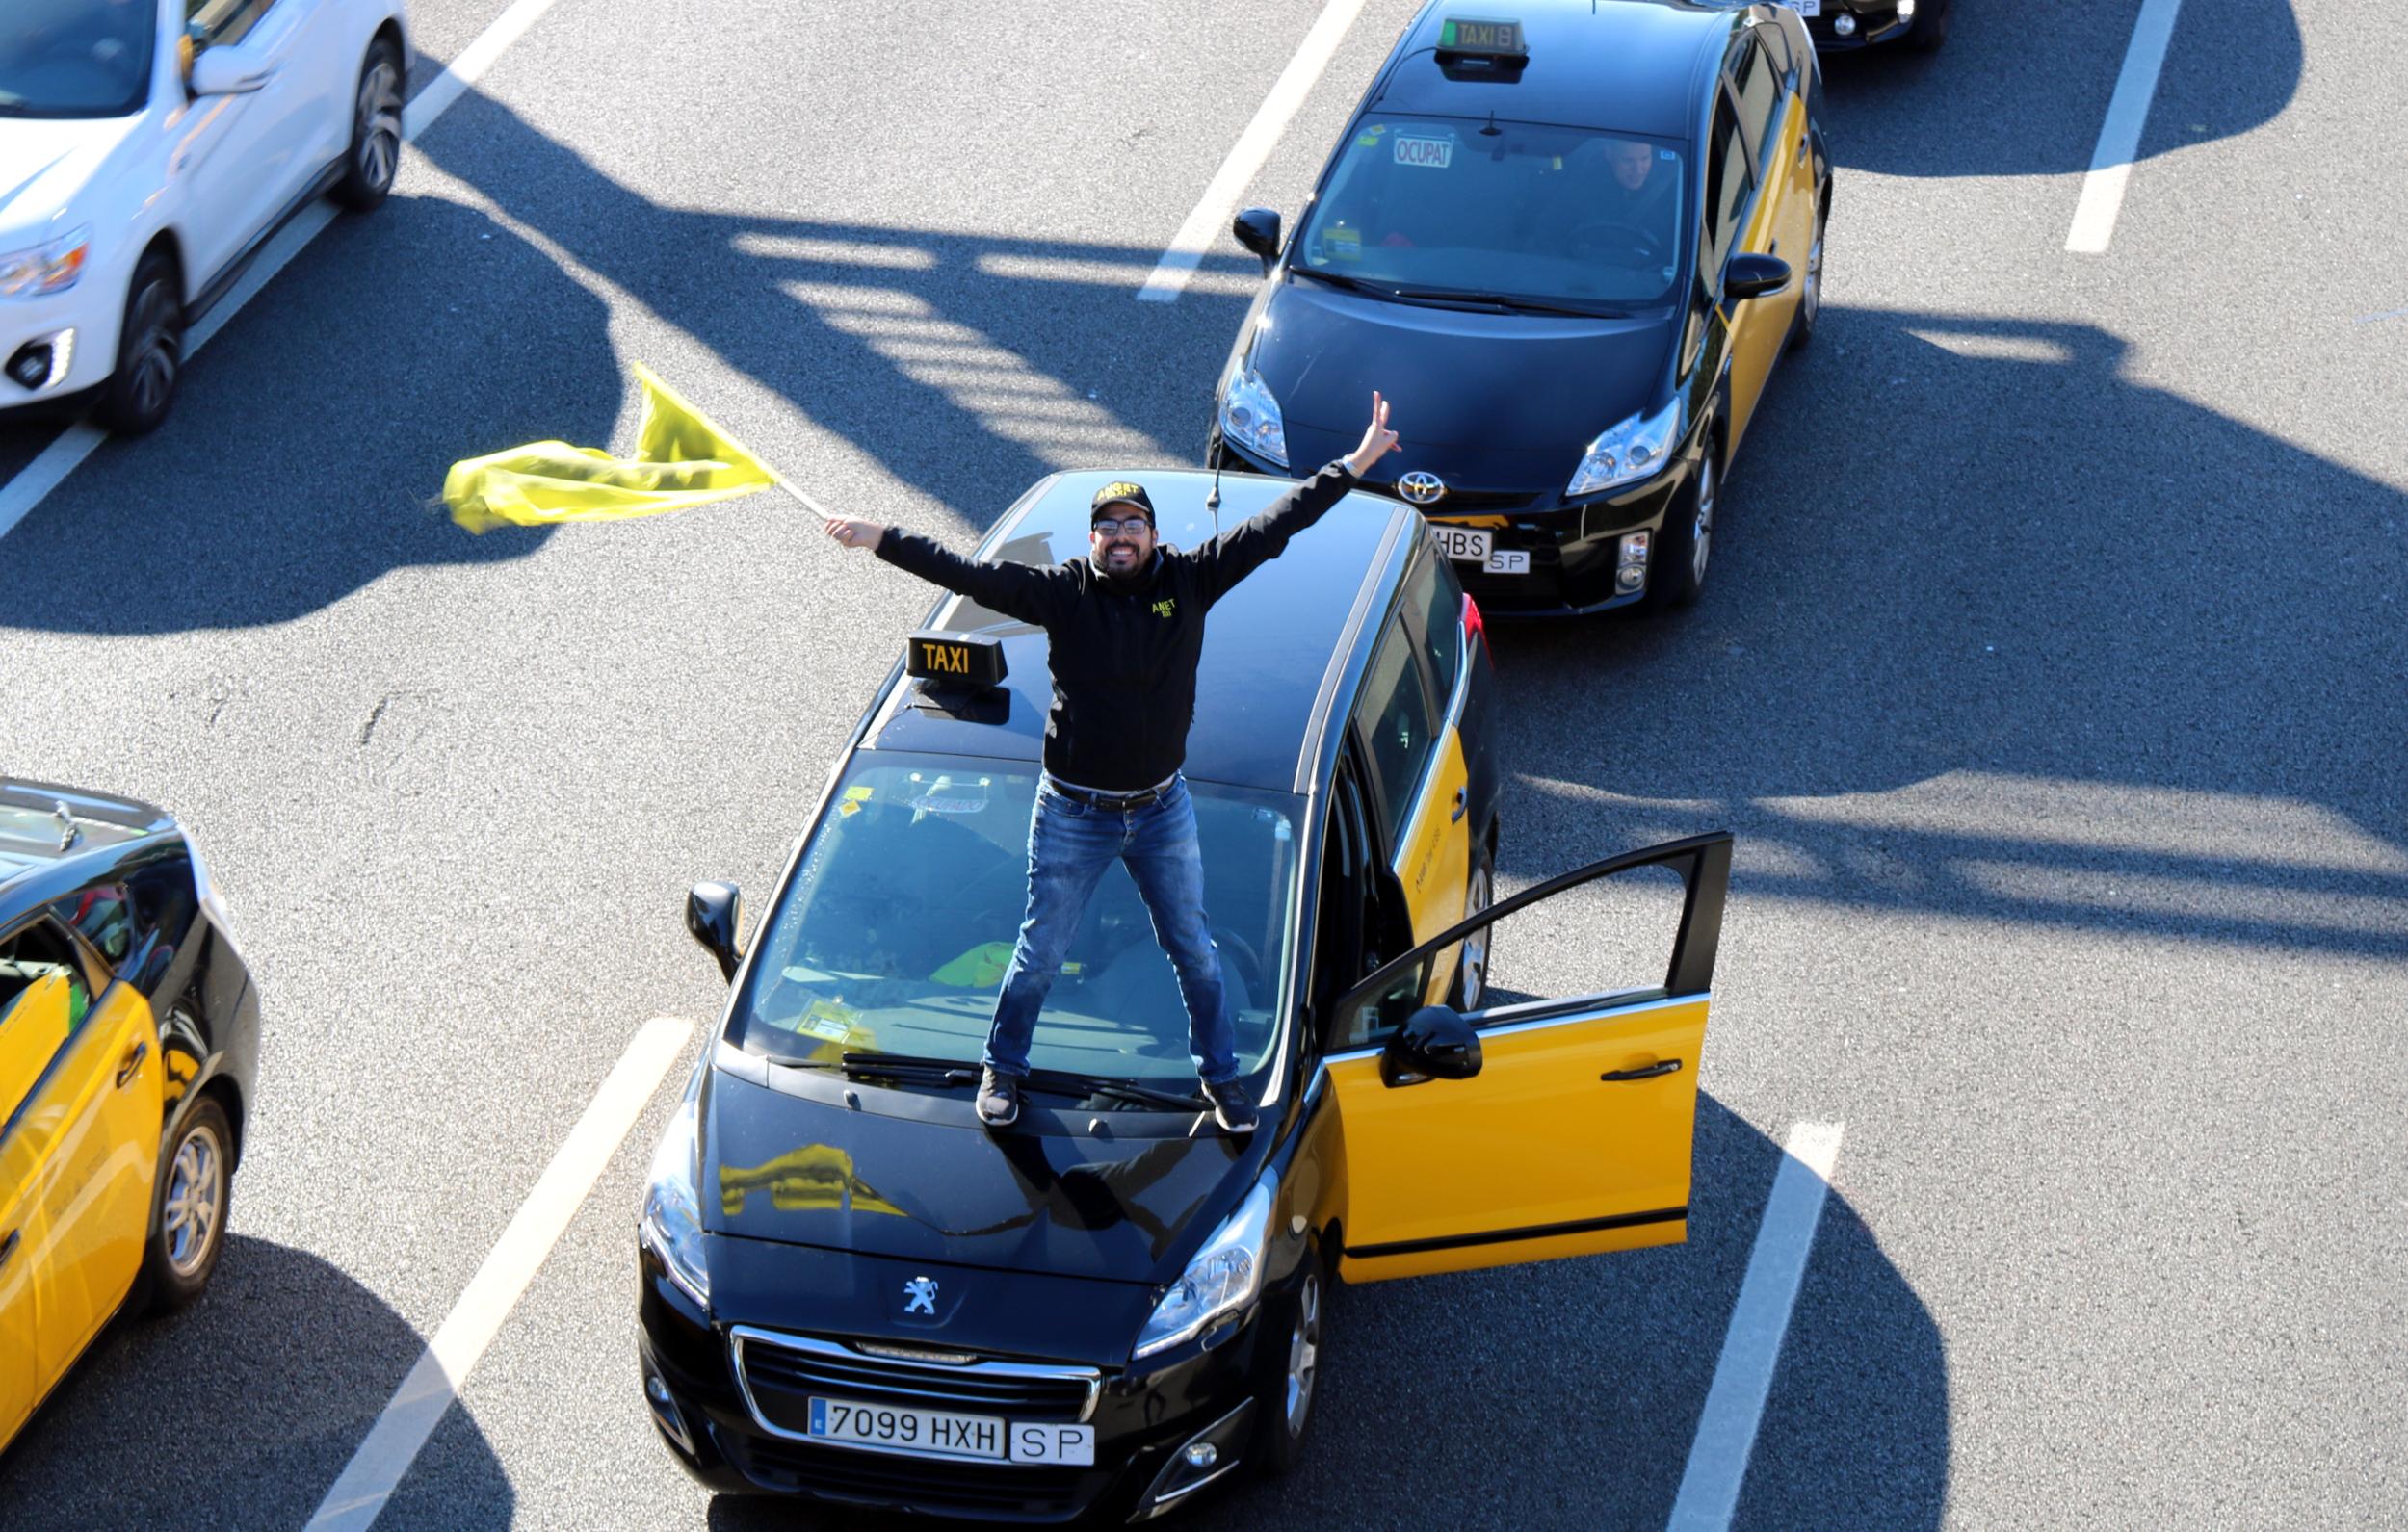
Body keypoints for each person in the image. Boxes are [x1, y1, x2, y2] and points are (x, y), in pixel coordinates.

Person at [823, 395, 1401, 1131]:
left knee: (1195, 950)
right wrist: (882, 537)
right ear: (1091, 539)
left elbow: (1277, 524)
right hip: (1073, 812)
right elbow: (966, 574)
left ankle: (1222, 1080)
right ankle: (1002, 1071)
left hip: (1162, 808)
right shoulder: (1061, 593)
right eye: (1108, 526)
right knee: (1038, 952)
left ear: (1155, 534)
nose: (1120, 536)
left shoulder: (1191, 580)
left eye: (1133, 524)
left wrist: (1353, 464)